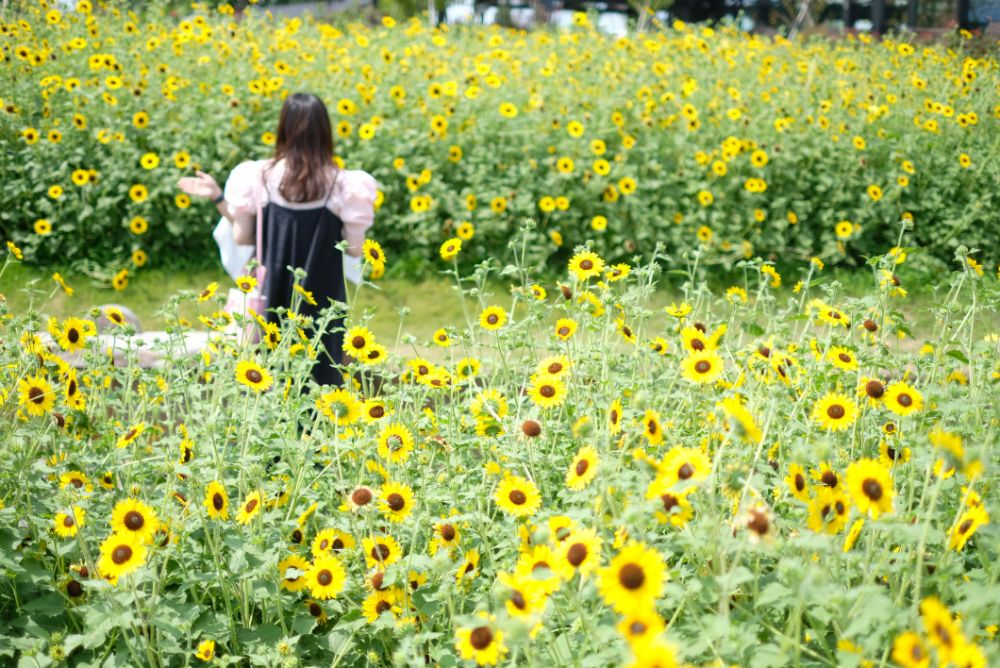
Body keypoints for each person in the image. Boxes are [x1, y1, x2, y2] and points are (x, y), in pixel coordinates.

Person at [177, 92, 377, 386]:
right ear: (325, 132)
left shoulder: (256, 177)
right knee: (322, 387)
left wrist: (219, 198)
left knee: (267, 383)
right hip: (324, 305)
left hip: (272, 298)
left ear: (283, 129)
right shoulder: (346, 185)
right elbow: (355, 248)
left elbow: (244, 238)